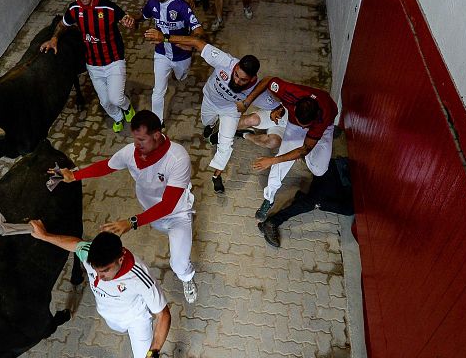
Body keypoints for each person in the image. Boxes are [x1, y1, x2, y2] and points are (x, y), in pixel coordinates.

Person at [29, 224, 183, 358]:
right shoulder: (89, 254)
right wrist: (44, 235)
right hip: (110, 316)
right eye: (96, 271)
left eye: (105, 271)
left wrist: (152, 355)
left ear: (120, 259)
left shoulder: (139, 277)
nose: (99, 277)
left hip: (135, 319)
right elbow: (76, 244)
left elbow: (163, 315)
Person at [53, 111, 199, 304]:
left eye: (141, 140)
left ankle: (187, 278)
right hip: (151, 214)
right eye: (134, 139)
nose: (136, 145)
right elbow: (107, 166)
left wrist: (132, 222)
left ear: (157, 135)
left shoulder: (178, 158)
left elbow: (167, 205)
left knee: (178, 264)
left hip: (176, 215)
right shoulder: (130, 152)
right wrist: (75, 175)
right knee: (162, 230)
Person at [147, 32, 275, 194]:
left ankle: (216, 176)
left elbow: (277, 104)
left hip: (230, 111)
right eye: (236, 75)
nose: (236, 81)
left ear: (252, 79)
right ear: (235, 67)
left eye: (243, 80)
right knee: (207, 122)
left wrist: (277, 113)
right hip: (209, 101)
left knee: (226, 146)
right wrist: (164, 38)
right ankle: (211, 126)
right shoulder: (224, 60)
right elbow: (196, 42)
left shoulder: (258, 92)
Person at [40, 0, 137, 133]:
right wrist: (54, 38)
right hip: (93, 64)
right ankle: (118, 117)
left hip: (114, 61)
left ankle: (127, 107)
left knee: (116, 98)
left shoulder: (108, 8)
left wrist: (131, 24)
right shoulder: (74, 8)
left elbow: (129, 22)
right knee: (105, 102)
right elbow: (62, 24)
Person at [234, 76, 337, 220]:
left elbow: (303, 149)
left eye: (305, 126)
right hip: (294, 125)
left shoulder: (323, 116)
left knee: (319, 170)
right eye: (302, 124)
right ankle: (269, 198)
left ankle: (304, 152)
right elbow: (268, 80)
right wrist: (247, 102)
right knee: (282, 161)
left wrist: (271, 160)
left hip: (323, 130)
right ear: (294, 107)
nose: (303, 128)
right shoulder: (290, 92)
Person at [139, 0, 205, 123]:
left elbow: (199, 32)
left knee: (181, 77)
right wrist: (131, 19)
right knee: (158, 91)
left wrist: (192, 44)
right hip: (161, 53)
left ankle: (178, 74)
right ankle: (157, 123)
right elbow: (142, 16)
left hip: (181, 56)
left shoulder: (181, 6)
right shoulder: (152, 2)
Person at [257, 157, 353, 247]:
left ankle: (306, 199)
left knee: (346, 208)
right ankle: (272, 222)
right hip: (336, 171)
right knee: (313, 202)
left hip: (342, 182)